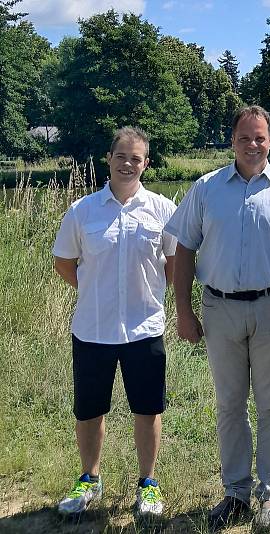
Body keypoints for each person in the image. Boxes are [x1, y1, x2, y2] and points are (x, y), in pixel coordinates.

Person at [165, 105, 270, 530]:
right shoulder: (206, 188)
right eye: (245, 137)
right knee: (230, 405)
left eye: (260, 137)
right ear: (231, 140)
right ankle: (235, 492)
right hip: (219, 307)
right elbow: (184, 249)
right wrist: (183, 310)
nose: (253, 144)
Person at [52, 127, 177, 519]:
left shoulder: (162, 210)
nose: (128, 164)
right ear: (109, 158)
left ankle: (148, 485)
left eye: (136, 158)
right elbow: (64, 263)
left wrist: (147, 291)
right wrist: (94, 289)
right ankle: (89, 479)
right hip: (92, 328)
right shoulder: (82, 211)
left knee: (148, 408)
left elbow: (173, 266)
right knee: (89, 410)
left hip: (144, 328)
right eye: (121, 156)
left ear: (146, 164)